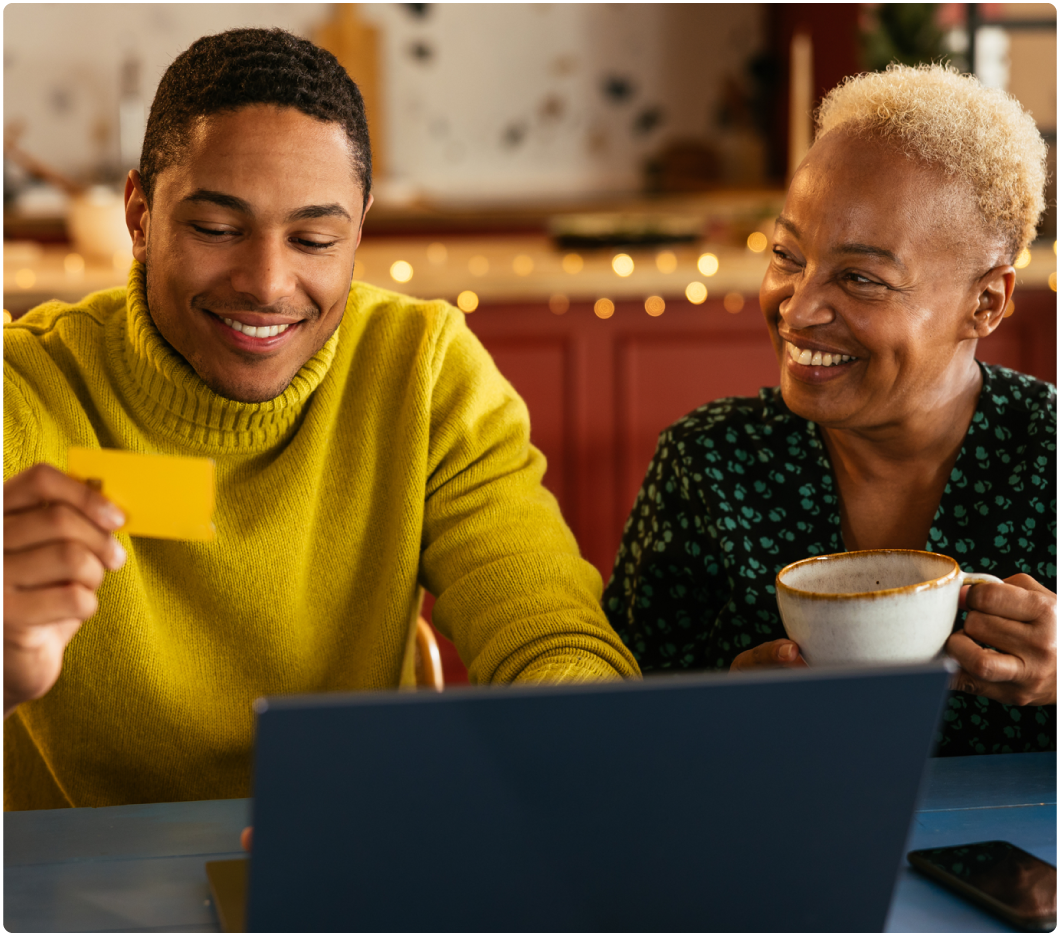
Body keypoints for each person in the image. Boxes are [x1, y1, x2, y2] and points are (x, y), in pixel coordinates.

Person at [3, 28, 638, 811]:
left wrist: (570, 735)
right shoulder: (25, 386)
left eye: (314, 238)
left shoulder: (423, 371)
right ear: (139, 216)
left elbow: (550, 632)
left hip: (357, 860)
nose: (268, 283)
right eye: (215, 229)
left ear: (360, 231)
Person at [604, 64, 1058, 756]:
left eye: (859, 278)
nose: (799, 306)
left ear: (986, 303)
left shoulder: (1051, 455)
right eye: (787, 254)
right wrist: (720, 705)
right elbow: (614, 729)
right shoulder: (709, 463)